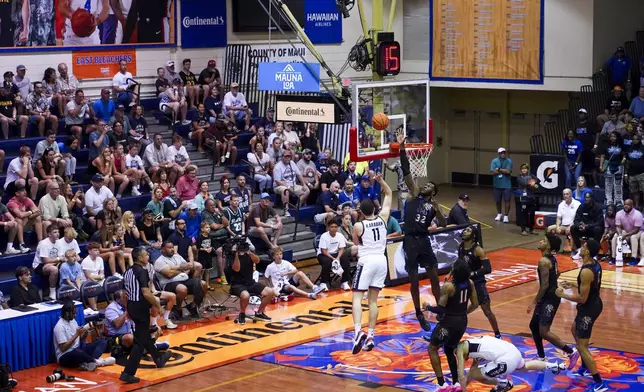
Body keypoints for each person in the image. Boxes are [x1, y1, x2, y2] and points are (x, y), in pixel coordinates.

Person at [399, 132, 446, 332]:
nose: (426, 185)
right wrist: (402, 148)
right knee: (414, 280)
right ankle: (418, 312)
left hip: (424, 240)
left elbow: (443, 224)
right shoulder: (414, 194)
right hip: (410, 240)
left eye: (430, 185)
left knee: (434, 276)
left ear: (433, 192)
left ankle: (441, 309)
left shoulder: (433, 205)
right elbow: (406, 169)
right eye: (425, 184)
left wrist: (439, 210)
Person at [556, 239, 607, 392]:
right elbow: (590, 287)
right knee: (574, 329)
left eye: (584, 246)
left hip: (589, 308)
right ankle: (585, 366)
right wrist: (573, 285)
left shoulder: (586, 271)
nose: (581, 247)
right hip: (593, 303)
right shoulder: (595, 265)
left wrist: (562, 295)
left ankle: (599, 383)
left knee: (582, 346)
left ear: (588, 251)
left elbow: (582, 298)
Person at [351, 174, 392, 354]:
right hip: (382, 261)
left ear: (360, 211)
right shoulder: (383, 218)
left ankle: (357, 331)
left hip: (367, 260)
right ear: (374, 209)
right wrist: (381, 181)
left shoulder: (359, 226)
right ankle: (371, 336)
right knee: (373, 300)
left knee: (357, 298)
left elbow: (356, 244)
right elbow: (389, 195)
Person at [120, 247, 173, 383]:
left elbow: (124, 294)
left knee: (143, 335)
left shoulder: (127, 272)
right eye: (145, 255)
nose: (148, 256)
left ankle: (158, 358)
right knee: (139, 341)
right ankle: (128, 372)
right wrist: (157, 305)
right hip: (140, 306)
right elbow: (146, 293)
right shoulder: (142, 272)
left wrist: (127, 309)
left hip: (131, 305)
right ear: (139, 258)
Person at [425, 259, 479, 391]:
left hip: (448, 323)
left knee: (432, 348)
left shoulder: (449, 286)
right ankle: (456, 383)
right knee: (450, 349)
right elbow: (475, 304)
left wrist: (428, 307)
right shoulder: (470, 283)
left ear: (454, 271)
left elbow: (441, 309)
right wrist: (462, 312)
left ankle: (441, 384)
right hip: (462, 321)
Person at [527, 234, 580, 368]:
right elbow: (558, 273)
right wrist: (555, 283)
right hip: (549, 296)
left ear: (549, 246)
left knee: (544, 331)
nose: (541, 241)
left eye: (544, 240)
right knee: (534, 326)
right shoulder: (552, 259)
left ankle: (571, 352)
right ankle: (541, 356)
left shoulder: (544, 261)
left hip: (550, 298)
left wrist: (534, 302)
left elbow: (544, 285)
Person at [455, 335, 565, 391]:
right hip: (514, 351)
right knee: (524, 366)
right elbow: (473, 367)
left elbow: (462, 377)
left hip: (507, 361)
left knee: (475, 375)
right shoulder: (474, 340)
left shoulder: (460, 349)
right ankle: (555, 366)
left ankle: (504, 384)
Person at [458, 225, 500, 337]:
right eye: (465, 230)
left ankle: (497, 334)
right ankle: (453, 331)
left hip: (477, 282)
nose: (465, 232)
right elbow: (458, 264)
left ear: (473, 236)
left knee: (487, 310)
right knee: (456, 309)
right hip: (464, 282)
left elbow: (488, 269)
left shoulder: (478, 250)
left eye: (468, 230)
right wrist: (450, 273)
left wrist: (473, 273)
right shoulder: (460, 247)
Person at [54, 300, 114, 371]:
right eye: (73, 314)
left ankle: (89, 362)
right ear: (67, 313)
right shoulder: (59, 327)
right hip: (64, 356)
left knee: (102, 342)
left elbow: (80, 340)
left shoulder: (73, 321)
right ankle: (98, 362)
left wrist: (86, 332)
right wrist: (76, 334)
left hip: (78, 350)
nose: (75, 315)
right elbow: (63, 348)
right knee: (78, 353)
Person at [227, 241, 275, 324]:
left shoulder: (249, 255)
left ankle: (259, 313)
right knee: (246, 296)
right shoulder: (232, 256)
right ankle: (242, 314)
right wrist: (237, 255)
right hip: (237, 285)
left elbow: (257, 261)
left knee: (270, 292)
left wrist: (249, 253)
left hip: (250, 283)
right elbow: (236, 269)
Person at [154, 241, 205, 319]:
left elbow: (188, 266)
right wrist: (180, 268)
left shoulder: (177, 256)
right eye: (169, 248)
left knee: (203, 284)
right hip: (169, 283)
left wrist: (173, 268)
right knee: (182, 289)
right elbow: (169, 275)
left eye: (172, 247)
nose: (172, 249)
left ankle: (193, 305)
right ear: (163, 249)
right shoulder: (159, 261)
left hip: (184, 279)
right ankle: (178, 308)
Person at [317, 218, 352, 291]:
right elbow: (323, 251)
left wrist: (338, 257)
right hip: (324, 254)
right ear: (328, 228)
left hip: (336, 254)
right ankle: (323, 283)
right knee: (327, 262)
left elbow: (341, 248)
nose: (334, 229)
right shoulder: (324, 236)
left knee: (345, 259)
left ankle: (344, 282)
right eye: (332, 227)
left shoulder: (340, 235)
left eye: (335, 227)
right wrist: (333, 259)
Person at [571, 193, 604, 260]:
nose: (586, 199)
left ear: (592, 198)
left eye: (588, 197)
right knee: (573, 228)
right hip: (583, 229)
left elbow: (600, 222)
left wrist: (588, 226)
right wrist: (580, 225)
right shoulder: (581, 206)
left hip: (592, 229)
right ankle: (579, 250)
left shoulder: (598, 207)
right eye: (585, 197)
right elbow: (576, 220)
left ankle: (594, 254)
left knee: (597, 229)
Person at [547, 188, 581, 253]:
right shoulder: (561, 204)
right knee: (550, 228)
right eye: (564, 194)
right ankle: (551, 248)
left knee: (572, 229)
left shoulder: (577, 204)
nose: (565, 196)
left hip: (573, 225)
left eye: (567, 194)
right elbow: (558, 218)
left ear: (571, 195)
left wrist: (570, 226)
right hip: (563, 226)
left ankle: (572, 250)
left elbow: (577, 219)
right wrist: (557, 226)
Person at [612, 199, 643, 266]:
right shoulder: (619, 213)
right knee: (615, 236)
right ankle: (614, 257)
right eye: (625, 204)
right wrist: (620, 234)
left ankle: (633, 258)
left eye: (628, 205)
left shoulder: (638, 214)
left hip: (638, 231)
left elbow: (637, 229)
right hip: (625, 231)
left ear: (632, 206)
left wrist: (626, 235)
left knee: (633, 237)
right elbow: (618, 226)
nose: (626, 206)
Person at [599, 131, 625, 206]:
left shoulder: (620, 145)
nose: (612, 138)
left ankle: (618, 200)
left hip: (618, 166)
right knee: (608, 184)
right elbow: (603, 156)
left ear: (617, 137)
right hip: (609, 167)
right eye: (611, 136)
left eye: (614, 136)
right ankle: (609, 199)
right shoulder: (606, 145)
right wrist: (601, 166)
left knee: (618, 184)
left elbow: (624, 154)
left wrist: (624, 158)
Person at [490, 147, 513, 223]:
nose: (503, 154)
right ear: (499, 153)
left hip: (507, 184)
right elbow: (492, 172)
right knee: (498, 200)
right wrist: (503, 170)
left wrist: (498, 169)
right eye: (501, 153)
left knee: (507, 200)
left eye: (504, 152)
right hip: (497, 184)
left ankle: (506, 215)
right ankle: (499, 214)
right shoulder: (494, 161)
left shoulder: (509, 161)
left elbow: (508, 171)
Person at [516, 163, 539, 235]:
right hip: (523, 198)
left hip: (531, 197)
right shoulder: (519, 176)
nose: (524, 170)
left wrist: (534, 183)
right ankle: (523, 230)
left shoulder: (531, 175)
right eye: (522, 169)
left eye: (525, 168)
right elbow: (524, 183)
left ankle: (532, 229)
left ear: (528, 169)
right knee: (524, 214)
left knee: (532, 213)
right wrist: (531, 183)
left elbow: (538, 180)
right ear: (520, 170)